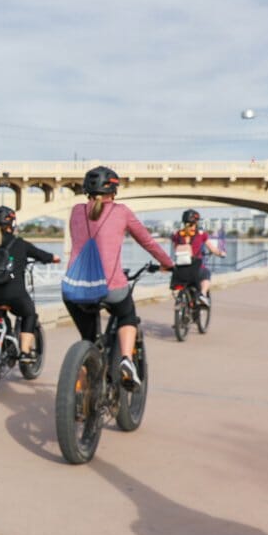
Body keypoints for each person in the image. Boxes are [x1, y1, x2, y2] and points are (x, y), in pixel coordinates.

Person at [64, 167, 173, 390]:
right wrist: (168, 263)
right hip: (110, 287)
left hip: (73, 290)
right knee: (127, 315)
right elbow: (147, 242)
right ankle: (126, 359)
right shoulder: (121, 212)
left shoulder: (76, 211)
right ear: (113, 190)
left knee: (88, 340)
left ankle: (77, 397)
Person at [0, 206, 59, 363]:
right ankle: (25, 352)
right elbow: (42, 255)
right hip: (12, 294)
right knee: (29, 314)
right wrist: (54, 258)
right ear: (12, 224)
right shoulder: (20, 244)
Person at [169, 209, 226, 304]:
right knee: (206, 273)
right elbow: (213, 249)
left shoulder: (177, 234)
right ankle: (202, 295)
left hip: (180, 270)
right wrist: (221, 253)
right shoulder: (201, 234)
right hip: (195, 269)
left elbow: (175, 250)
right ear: (196, 221)